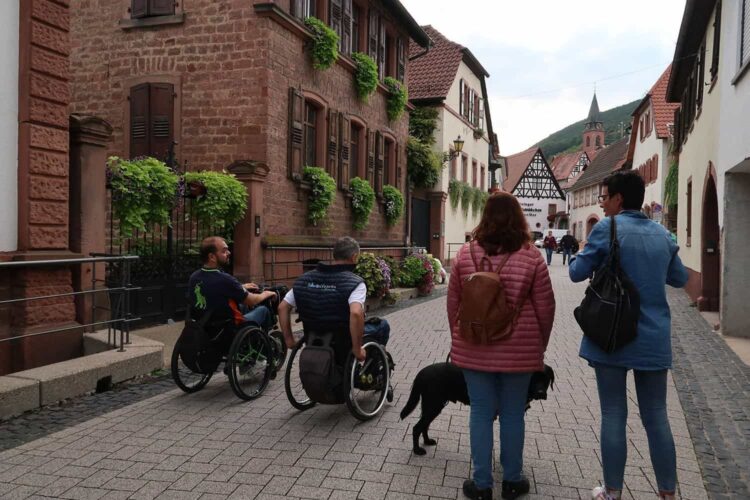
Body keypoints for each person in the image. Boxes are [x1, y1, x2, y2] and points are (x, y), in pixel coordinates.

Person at [568, 171, 688, 500]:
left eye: (606, 197)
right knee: (657, 416)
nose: (602, 202)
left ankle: (612, 492)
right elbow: (678, 279)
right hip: (652, 338)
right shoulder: (663, 235)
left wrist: (583, 253)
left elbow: (577, 272)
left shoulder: (608, 227)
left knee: (613, 413)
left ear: (620, 198)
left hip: (611, 334)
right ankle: (667, 493)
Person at [448, 192, 555, 500]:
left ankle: (481, 485)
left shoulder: (466, 254)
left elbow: (453, 302)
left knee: (480, 412)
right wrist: (540, 345)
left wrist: (458, 339)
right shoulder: (532, 255)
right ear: (518, 218)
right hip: (520, 349)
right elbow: (546, 307)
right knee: (512, 414)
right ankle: (512, 481)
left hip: (474, 345)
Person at [278, 237, 390, 362]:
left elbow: (282, 307)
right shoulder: (355, 283)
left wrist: (289, 341)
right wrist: (357, 349)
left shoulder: (304, 280)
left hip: (313, 336)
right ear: (354, 257)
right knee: (383, 326)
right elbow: (356, 313)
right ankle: (374, 363)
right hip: (343, 339)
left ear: (335, 255)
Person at [188, 236, 277, 331]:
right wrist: (266, 294)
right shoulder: (225, 279)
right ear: (212, 257)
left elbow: (213, 289)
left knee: (243, 306)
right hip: (229, 330)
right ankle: (268, 341)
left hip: (205, 328)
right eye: (224, 251)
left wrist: (241, 287)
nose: (229, 253)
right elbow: (252, 300)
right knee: (263, 310)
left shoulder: (194, 277)